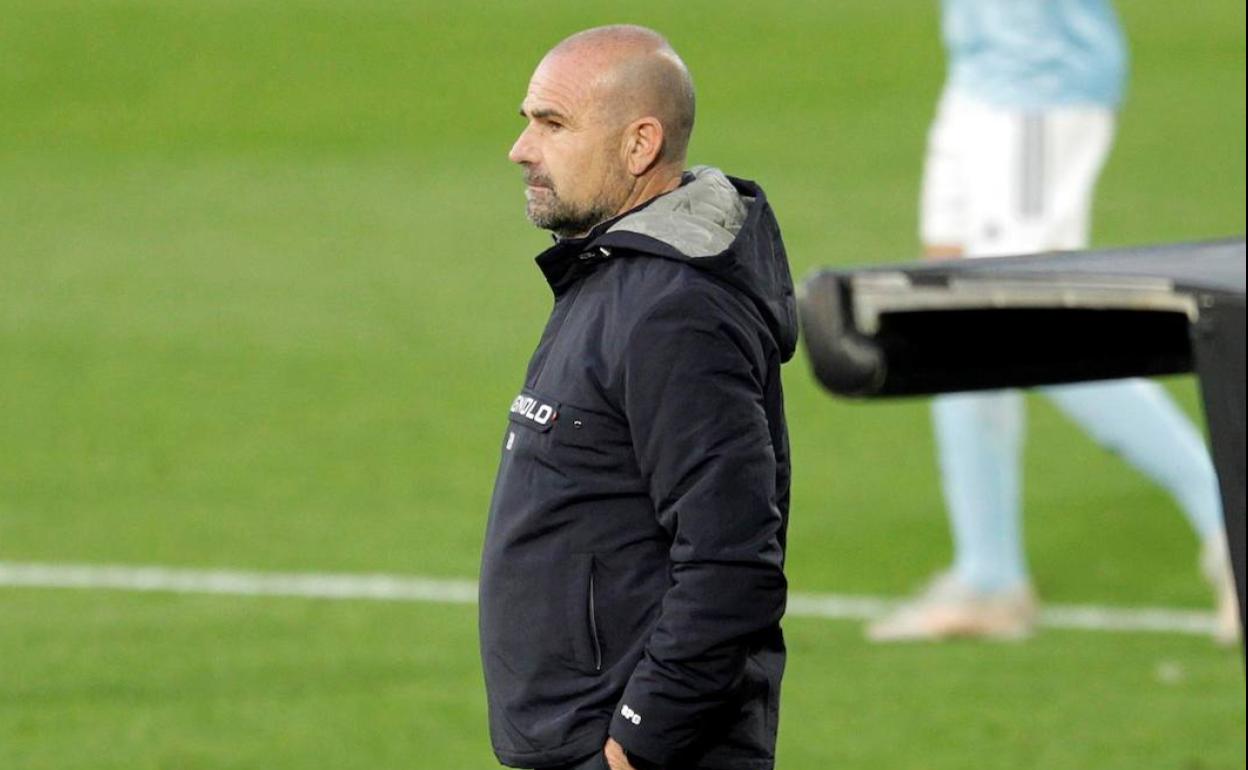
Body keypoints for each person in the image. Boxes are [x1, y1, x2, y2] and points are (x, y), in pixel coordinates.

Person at [867, 0, 1239, 645]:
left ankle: (1229, 518)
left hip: (1041, 77)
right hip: (978, 65)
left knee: (1016, 321)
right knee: (945, 305)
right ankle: (989, 576)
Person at [479, 25, 798, 770]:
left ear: (638, 144)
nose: (521, 149)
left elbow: (731, 564)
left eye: (551, 124)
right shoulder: (614, 275)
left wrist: (634, 744)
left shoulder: (673, 313)